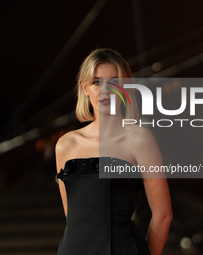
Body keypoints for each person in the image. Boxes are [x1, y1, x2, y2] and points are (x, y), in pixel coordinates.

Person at [55, 48, 172, 255]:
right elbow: (71, 216)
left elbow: (163, 215)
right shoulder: (66, 145)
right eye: (96, 82)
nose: (105, 90)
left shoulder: (140, 139)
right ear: (84, 88)